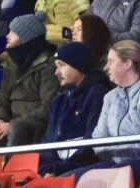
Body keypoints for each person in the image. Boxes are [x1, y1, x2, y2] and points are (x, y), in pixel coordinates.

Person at [67, 41, 140, 184]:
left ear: (127, 63)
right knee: (71, 180)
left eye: (110, 61)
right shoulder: (110, 97)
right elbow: (97, 139)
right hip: (119, 163)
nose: (105, 68)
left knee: (99, 180)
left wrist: (115, 149)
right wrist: (118, 151)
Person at [0, 12, 57, 147]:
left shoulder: (49, 66)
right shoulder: (11, 65)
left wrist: (13, 124)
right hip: (9, 125)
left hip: (33, 129)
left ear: (26, 38)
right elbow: (1, 101)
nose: (7, 36)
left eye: (13, 32)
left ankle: (12, 167)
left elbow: (48, 108)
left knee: (17, 130)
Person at [38, 42, 109, 176]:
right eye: (56, 66)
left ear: (79, 65)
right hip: (56, 171)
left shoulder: (98, 94)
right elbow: (48, 143)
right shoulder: (58, 101)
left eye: (62, 65)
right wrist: (47, 170)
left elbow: (92, 145)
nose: (56, 72)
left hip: (86, 170)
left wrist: (58, 171)